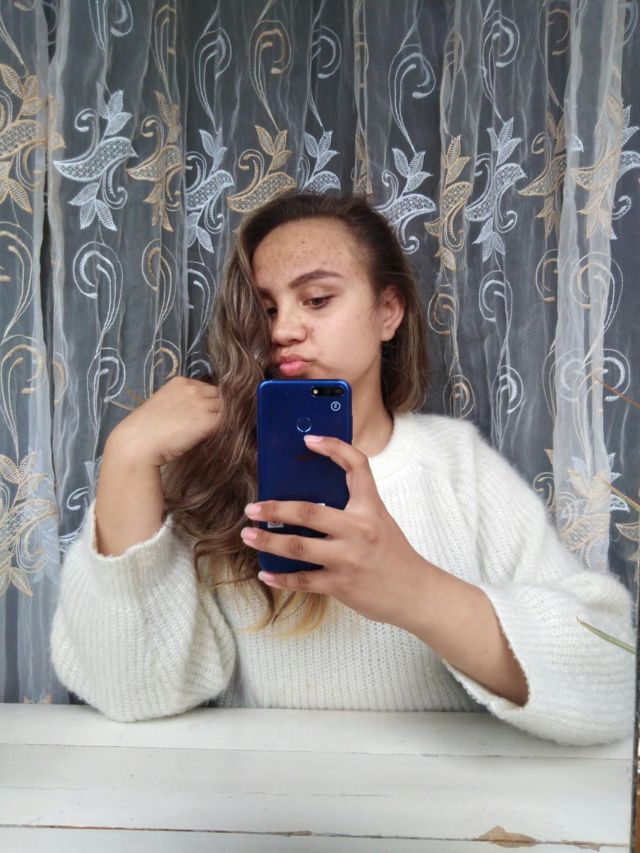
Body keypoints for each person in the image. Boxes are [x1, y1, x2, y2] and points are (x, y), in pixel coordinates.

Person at [51, 191, 635, 744]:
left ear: (388, 312)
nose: (282, 330)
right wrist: (127, 456)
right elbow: (135, 690)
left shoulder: (458, 466)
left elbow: (608, 677)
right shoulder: (211, 476)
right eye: (266, 308)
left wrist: (415, 591)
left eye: (317, 299)